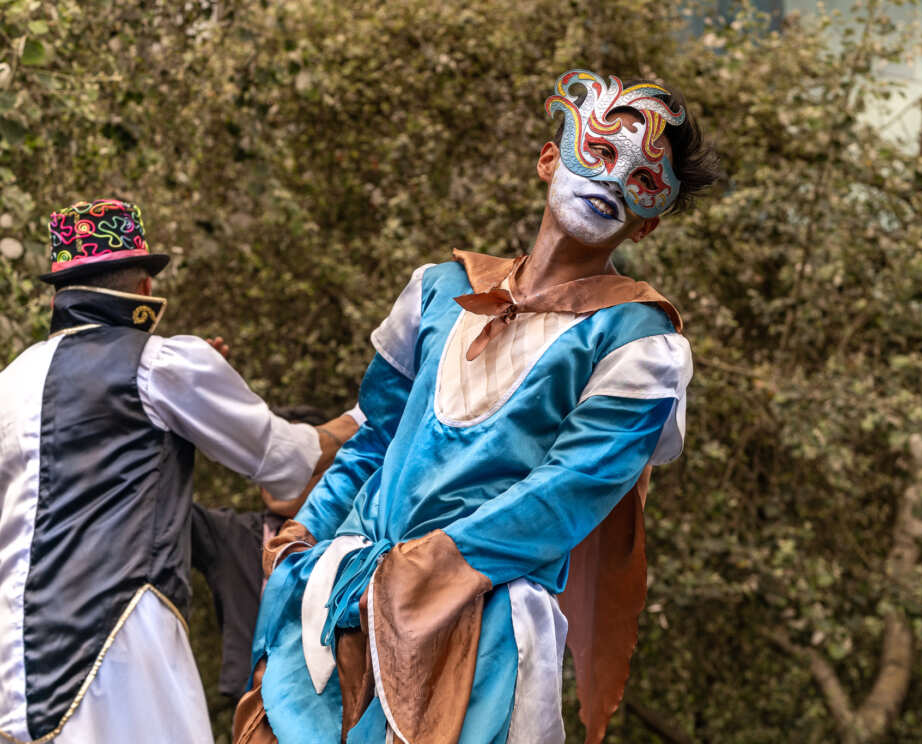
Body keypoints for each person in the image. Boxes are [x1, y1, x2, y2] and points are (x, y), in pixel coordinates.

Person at [237, 69, 717, 744]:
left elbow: (566, 494)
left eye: (641, 179)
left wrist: (425, 571)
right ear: (550, 158)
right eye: (600, 152)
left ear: (646, 223)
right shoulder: (438, 290)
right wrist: (303, 545)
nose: (611, 180)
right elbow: (374, 438)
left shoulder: (642, 341)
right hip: (340, 599)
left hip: (482, 620)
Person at [0, 199, 355, 744]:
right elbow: (288, 463)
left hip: (13, 659)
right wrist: (367, 415)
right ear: (145, 289)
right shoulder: (161, 364)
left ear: (58, 296)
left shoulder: (12, 383)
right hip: (120, 644)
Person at [192, 405, 363, 703]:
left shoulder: (353, 537)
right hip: (251, 705)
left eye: (290, 462)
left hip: (332, 705)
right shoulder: (231, 535)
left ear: (329, 468)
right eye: (268, 464)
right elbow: (166, 514)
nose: (275, 476)